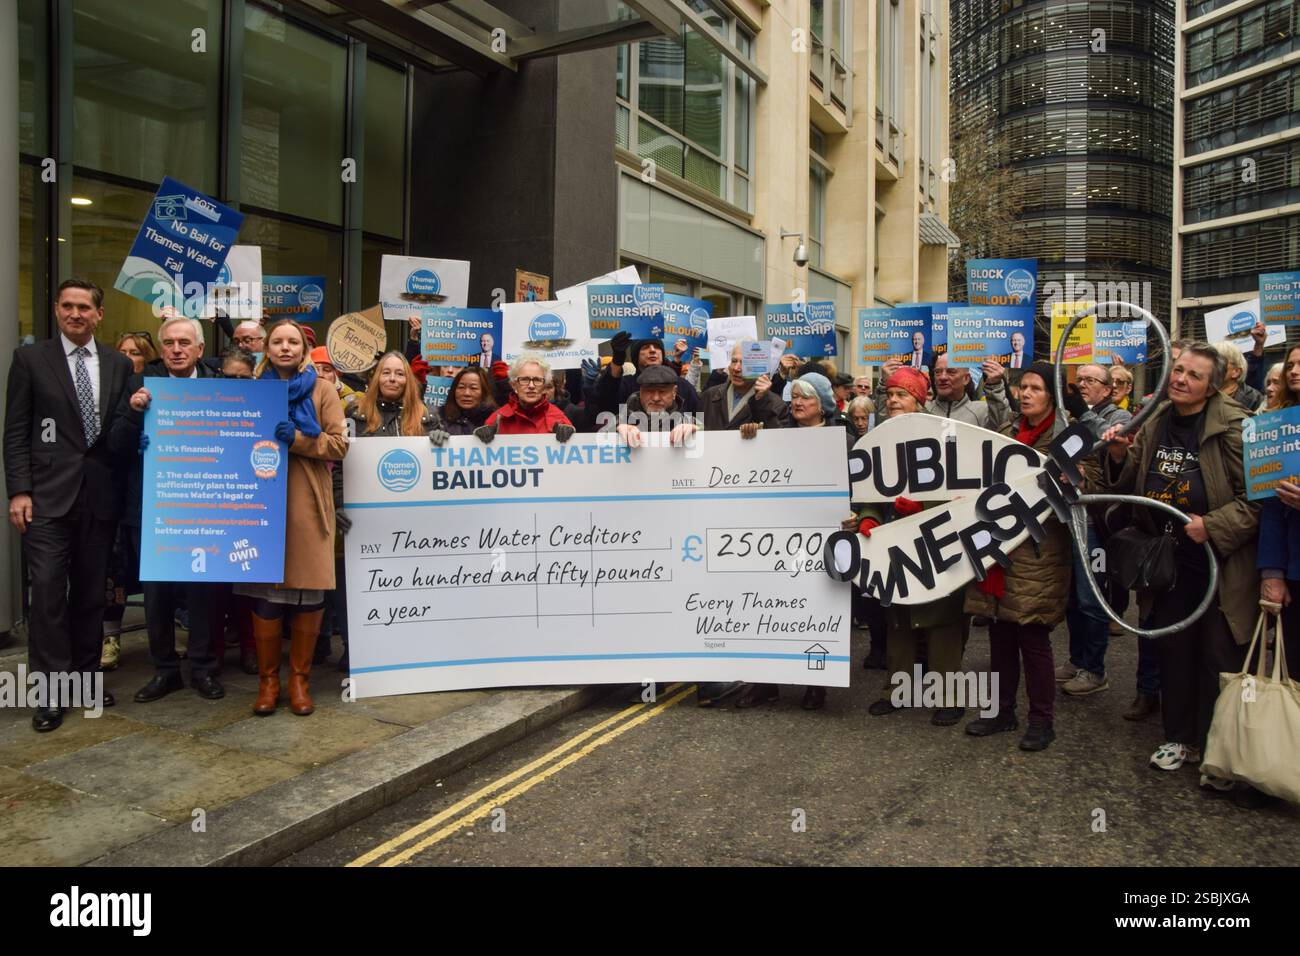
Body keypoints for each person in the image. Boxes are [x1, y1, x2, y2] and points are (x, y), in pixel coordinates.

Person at [1098, 343, 1258, 786]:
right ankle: (1179, 738)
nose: (1181, 379)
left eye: (1194, 375)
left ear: (1212, 387)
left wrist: (1214, 525)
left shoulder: (1236, 427)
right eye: (1179, 369)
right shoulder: (1155, 418)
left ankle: (1217, 751)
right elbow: (1131, 483)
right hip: (1167, 561)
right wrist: (1118, 456)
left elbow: (1258, 501)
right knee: (1174, 651)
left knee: (1217, 656)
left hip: (1220, 565)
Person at [5, 279, 134, 731]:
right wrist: (19, 490)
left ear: (99, 314)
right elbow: (16, 430)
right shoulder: (30, 360)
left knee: (89, 596)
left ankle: (85, 680)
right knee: (46, 595)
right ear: (57, 310)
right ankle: (51, 692)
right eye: (67, 306)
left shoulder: (119, 364)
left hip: (99, 500)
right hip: (45, 499)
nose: (75, 314)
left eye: (84, 307)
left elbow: (119, 433)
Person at [109, 314, 225, 702]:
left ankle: (204, 669)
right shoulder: (140, 385)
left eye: (184, 343)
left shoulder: (220, 387)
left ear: (200, 349)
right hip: (154, 508)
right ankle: (165, 671)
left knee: (203, 593)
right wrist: (133, 412)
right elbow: (117, 447)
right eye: (170, 343)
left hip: (204, 510)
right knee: (156, 595)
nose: (176, 349)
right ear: (162, 349)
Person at [240, 319, 348, 716]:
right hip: (262, 500)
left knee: (308, 594)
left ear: (303, 349)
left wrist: (299, 440)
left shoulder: (323, 390)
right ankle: (269, 682)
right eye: (277, 342)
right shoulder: (253, 392)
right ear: (266, 349)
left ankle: (299, 681)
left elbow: (339, 445)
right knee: (267, 595)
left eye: (293, 342)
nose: (285, 348)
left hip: (307, 501)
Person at [964, 363, 1071, 751]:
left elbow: (1089, 481)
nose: (1025, 394)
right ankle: (1001, 711)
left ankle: (1042, 720)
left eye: (1035, 388)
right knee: (1000, 634)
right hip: (999, 547)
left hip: (1040, 552)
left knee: (1033, 636)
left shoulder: (1067, 437)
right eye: (1022, 386)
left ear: (1051, 396)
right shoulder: (1007, 431)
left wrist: (1068, 481)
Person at [734, 372, 855, 711]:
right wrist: (752, 434)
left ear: (823, 404)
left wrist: (855, 514)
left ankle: (817, 684)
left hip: (823, 537)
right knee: (767, 605)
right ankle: (764, 683)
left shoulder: (843, 442)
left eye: (807, 397)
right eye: (795, 396)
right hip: (780, 537)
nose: (799, 403)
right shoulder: (777, 437)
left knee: (817, 605)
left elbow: (858, 485)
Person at [862, 367, 970, 727]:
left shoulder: (943, 437)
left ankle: (949, 695)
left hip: (938, 540)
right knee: (899, 619)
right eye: (889, 394)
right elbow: (870, 486)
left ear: (918, 401)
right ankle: (897, 689)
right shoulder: (881, 437)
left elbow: (960, 490)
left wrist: (923, 507)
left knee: (942, 620)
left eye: (901, 395)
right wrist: (870, 515)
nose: (892, 400)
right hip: (894, 538)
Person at [1057, 364, 1132, 696]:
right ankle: (1076, 659)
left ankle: (1095, 669)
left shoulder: (1120, 416)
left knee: (1092, 598)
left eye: (1090, 380)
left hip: (1096, 520)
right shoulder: (1069, 413)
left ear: (1108, 388)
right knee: (1072, 597)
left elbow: (1111, 441)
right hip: (1066, 514)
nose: (1082, 385)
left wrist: (1084, 414)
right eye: (1080, 380)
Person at [1253, 344, 1300, 807]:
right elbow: (1269, 508)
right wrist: (1272, 573)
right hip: (1291, 567)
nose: (1298, 370)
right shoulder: (1276, 427)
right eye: (1294, 365)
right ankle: (1280, 767)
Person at [881, 353, 1009, 429]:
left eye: (951, 371)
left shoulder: (982, 410)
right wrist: (884, 384)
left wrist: (995, 385)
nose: (942, 377)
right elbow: (885, 427)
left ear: (966, 379)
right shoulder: (919, 409)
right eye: (937, 372)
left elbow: (1002, 429)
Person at [476, 353, 575, 441]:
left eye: (537, 380)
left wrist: (571, 438)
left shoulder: (560, 419)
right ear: (514, 385)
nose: (531, 386)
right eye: (524, 379)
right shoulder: (497, 419)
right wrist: (478, 440)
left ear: (545, 386)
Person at [700, 343, 790, 434]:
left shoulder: (777, 405)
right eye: (734, 361)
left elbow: (778, 441)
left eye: (744, 363)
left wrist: (761, 402)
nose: (736, 368)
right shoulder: (709, 396)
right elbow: (695, 432)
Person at [431, 365, 497, 437]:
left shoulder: (495, 421)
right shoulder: (439, 419)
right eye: (461, 387)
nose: (466, 393)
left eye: (473, 388)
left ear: (484, 392)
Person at [1212, 340, 1264, 412]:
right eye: (1211, 361)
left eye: (1219, 362)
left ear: (1236, 372)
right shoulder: (1201, 394)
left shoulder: (1254, 400)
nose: (1211, 365)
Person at [311, 346, 358, 416]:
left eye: (327, 370)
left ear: (336, 375)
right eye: (315, 369)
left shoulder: (354, 402)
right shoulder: (295, 397)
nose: (320, 374)